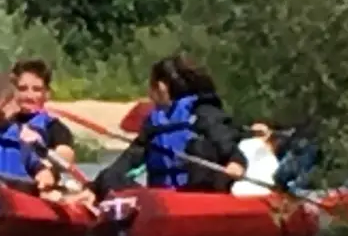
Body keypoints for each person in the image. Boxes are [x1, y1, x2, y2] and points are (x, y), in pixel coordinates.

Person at [90, 54, 245, 197]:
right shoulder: (154, 123)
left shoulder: (203, 113)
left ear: (161, 87)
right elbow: (127, 161)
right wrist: (93, 187)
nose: (150, 93)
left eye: (151, 86)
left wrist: (236, 164)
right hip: (161, 200)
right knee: (109, 177)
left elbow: (231, 148)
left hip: (199, 197)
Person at [231, 120, 282, 197]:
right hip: (247, 192)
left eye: (260, 133)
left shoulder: (281, 150)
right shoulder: (247, 144)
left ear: (271, 133)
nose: (256, 135)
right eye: (253, 133)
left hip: (271, 194)